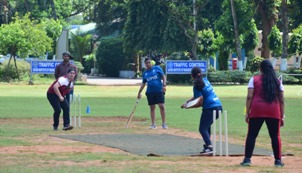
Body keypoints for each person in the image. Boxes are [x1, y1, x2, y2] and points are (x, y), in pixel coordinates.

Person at [240, 60, 285, 167]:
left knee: (252, 134)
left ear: (260, 69)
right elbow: (281, 100)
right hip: (273, 110)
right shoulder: (277, 82)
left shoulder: (254, 79)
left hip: (257, 109)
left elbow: (249, 97)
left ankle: (247, 159)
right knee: (275, 135)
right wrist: (282, 116)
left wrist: (247, 112)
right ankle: (278, 161)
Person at [181, 67, 222, 155]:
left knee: (202, 129)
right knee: (207, 127)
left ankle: (210, 147)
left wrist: (188, 106)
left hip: (210, 108)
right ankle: (208, 147)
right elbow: (197, 97)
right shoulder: (205, 80)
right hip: (219, 106)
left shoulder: (196, 85)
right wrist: (188, 101)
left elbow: (199, 102)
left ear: (192, 76)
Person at [137, 57, 168, 129]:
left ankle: (164, 123)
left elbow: (163, 76)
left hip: (159, 90)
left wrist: (164, 85)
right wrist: (139, 93)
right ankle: (153, 124)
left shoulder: (157, 68)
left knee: (161, 106)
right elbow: (143, 84)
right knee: (152, 108)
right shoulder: (145, 73)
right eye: (146, 63)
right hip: (150, 92)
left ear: (151, 62)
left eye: (149, 62)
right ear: (145, 64)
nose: (148, 64)